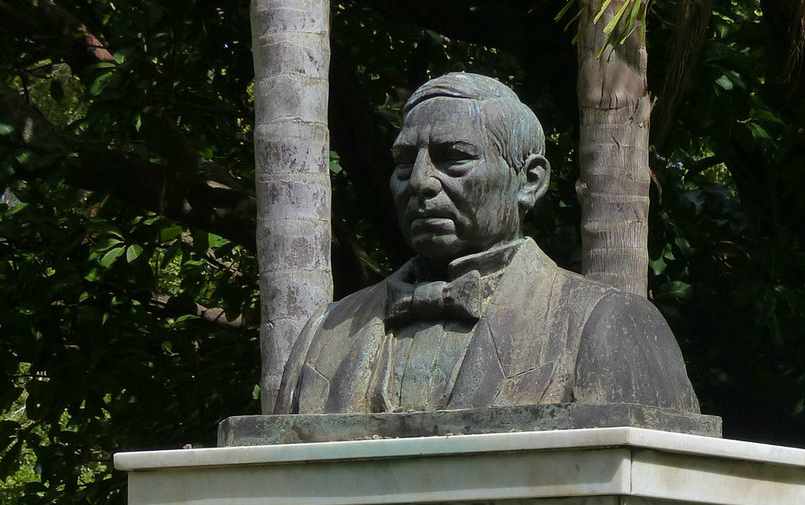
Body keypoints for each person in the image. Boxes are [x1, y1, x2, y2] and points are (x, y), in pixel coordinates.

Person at [274, 72, 698, 416]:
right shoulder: (322, 337)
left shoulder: (608, 325)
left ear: (529, 182)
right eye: (405, 162)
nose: (419, 181)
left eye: (453, 157)